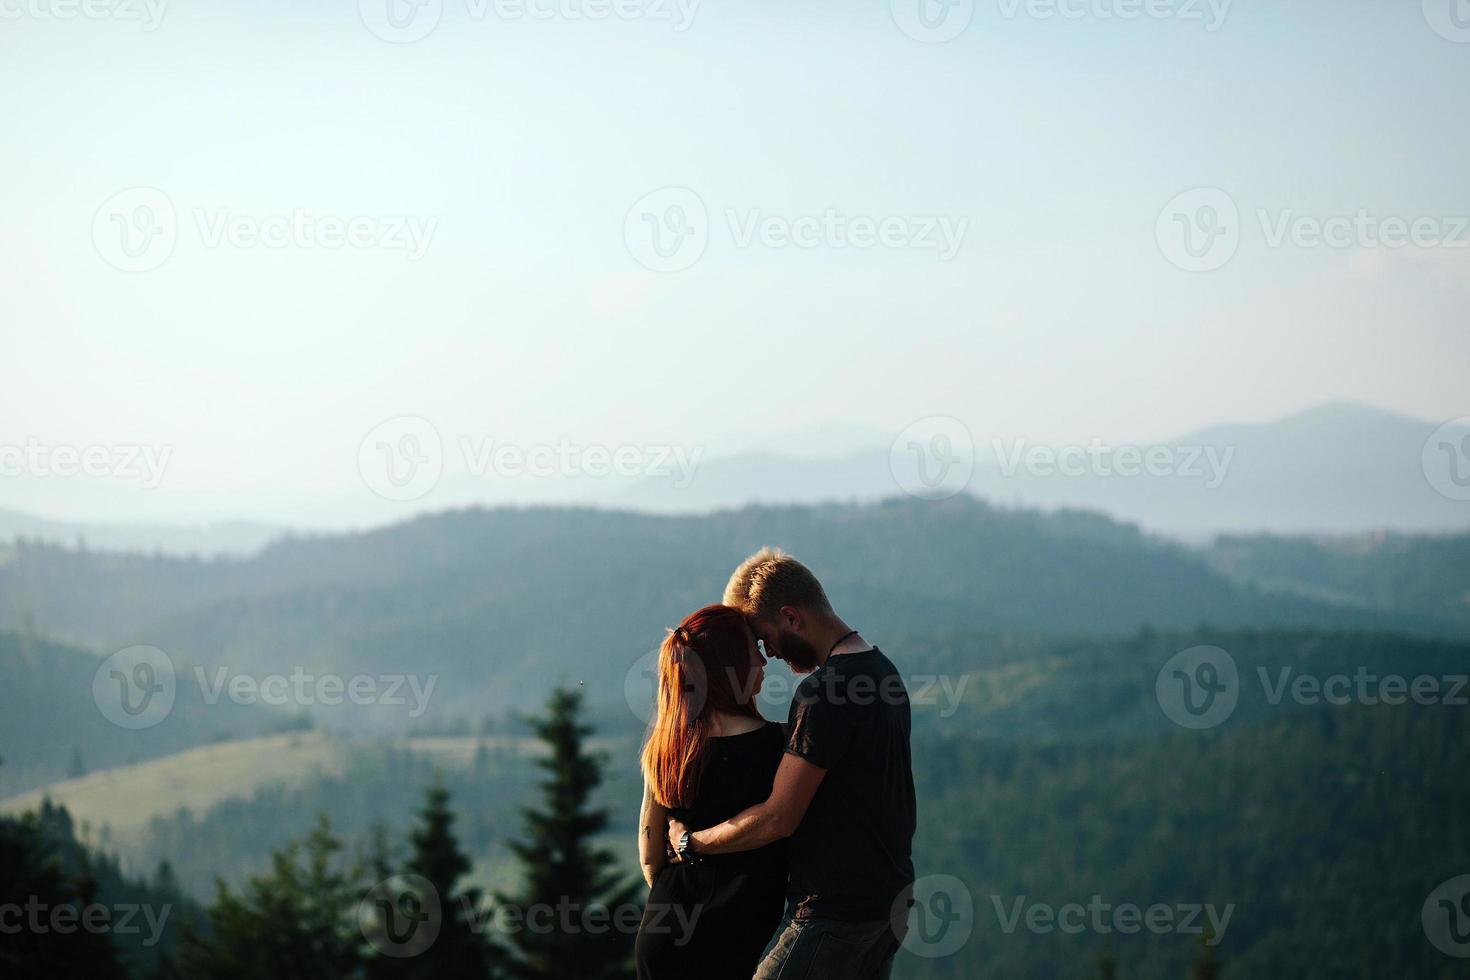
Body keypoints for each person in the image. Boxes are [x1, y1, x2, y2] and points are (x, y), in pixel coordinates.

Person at [667, 548, 916, 979]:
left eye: (765, 639)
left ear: (790, 616)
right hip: (887, 906)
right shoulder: (882, 671)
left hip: (833, 912)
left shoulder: (824, 693)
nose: (769, 655)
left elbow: (777, 818)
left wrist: (691, 842)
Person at [635, 603, 788, 980]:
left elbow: (650, 858)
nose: (765, 662)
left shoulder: (668, 747)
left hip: (664, 933)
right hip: (739, 938)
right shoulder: (781, 745)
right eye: (754, 648)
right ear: (731, 663)